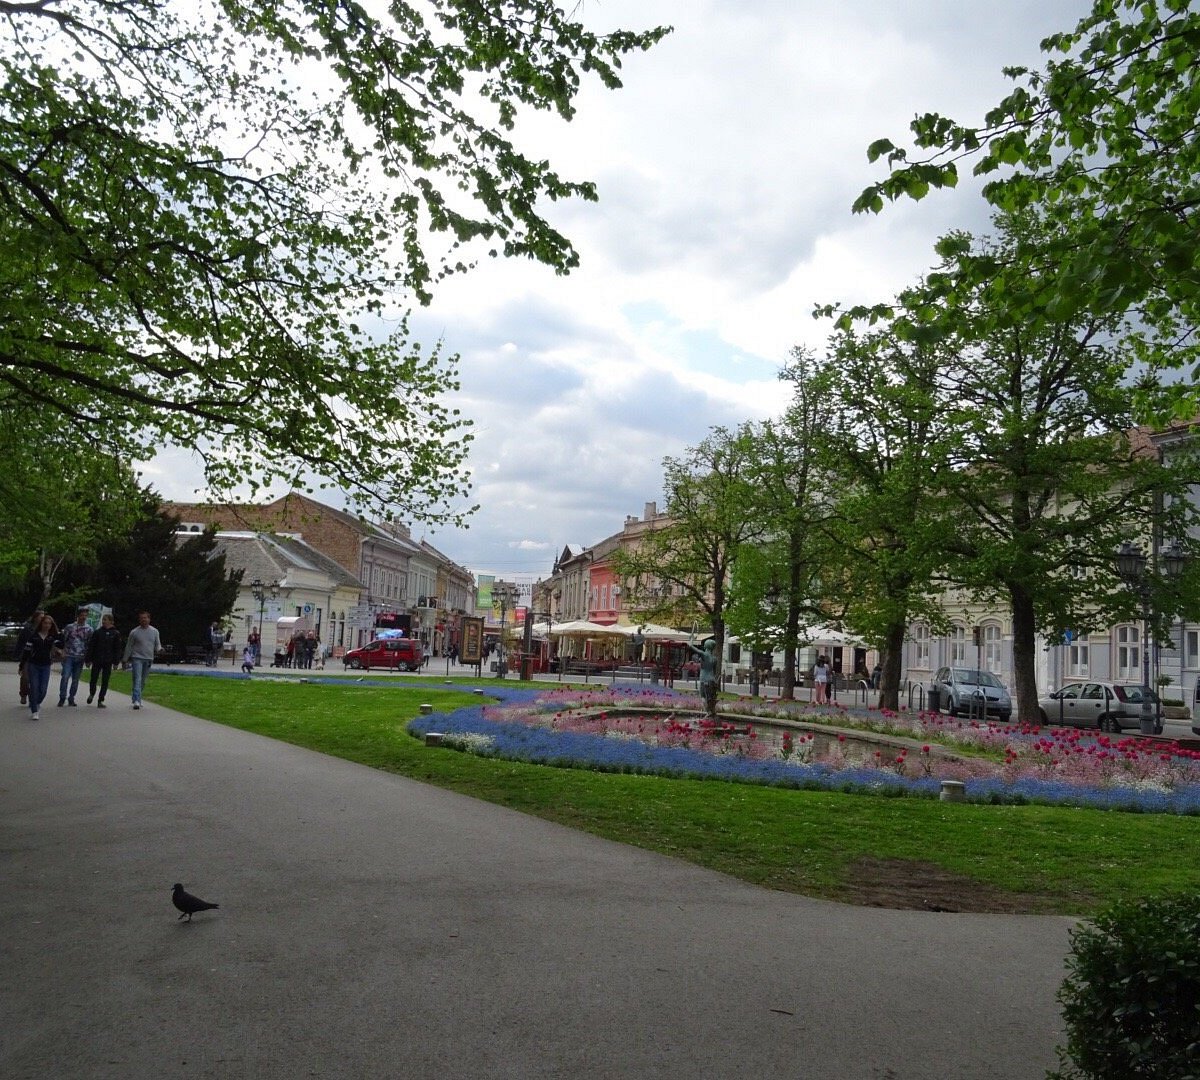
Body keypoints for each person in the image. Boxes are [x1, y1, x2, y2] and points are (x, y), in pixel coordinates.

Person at [21, 613, 61, 720]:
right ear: (41, 624)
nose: (47, 625)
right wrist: (21, 666)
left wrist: (58, 634)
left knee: (43, 690)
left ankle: (36, 702)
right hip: (33, 664)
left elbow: (60, 644)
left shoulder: (52, 637)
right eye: (45, 623)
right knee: (34, 687)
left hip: (46, 666)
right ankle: (34, 711)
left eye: (49, 624)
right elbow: (26, 651)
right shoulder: (34, 636)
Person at [122, 611, 162, 710]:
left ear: (149, 619)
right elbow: (129, 646)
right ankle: (137, 701)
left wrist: (160, 650)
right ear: (139, 620)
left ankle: (136, 696)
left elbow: (157, 645)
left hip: (148, 658)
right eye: (142, 618)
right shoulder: (134, 632)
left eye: (145, 618)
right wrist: (125, 659)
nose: (144, 620)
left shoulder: (154, 631)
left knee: (142, 680)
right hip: (137, 658)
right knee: (137, 679)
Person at [58, 607, 94, 706]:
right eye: (82, 615)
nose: (83, 617)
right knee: (65, 676)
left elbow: (89, 644)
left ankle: (71, 697)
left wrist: (88, 659)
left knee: (75, 679)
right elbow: (63, 640)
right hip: (69, 655)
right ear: (78, 616)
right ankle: (62, 697)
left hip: (81, 656)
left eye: (85, 616)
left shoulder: (89, 629)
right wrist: (62, 651)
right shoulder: (70, 627)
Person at [86, 613, 122, 707]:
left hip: (108, 660)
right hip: (97, 659)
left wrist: (116, 662)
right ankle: (92, 693)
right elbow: (91, 646)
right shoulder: (98, 632)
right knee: (93, 678)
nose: (103, 621)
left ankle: (100, 699)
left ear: (111, 621)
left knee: (105, 681)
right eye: (103, 620)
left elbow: (117, 649)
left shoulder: (115, 633)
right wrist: (88, 659)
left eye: (105, 620)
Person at [13, 608, 45, 705]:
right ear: (35, 618)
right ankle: (23, 693)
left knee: (36, 680)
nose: (42, 619)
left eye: (44, 617)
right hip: (27, 656)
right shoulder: (27, 629)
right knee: (25, 678)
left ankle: (33, 697)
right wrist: (17, 655)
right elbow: (20, 642)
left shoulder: (44, 629)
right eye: (41, 617)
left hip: (39, 657)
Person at [687, 636, 720, 717]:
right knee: (711, 698)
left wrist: (690, 643)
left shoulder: (704, 654)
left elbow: (695, 649)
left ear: (706, 646)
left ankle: (708, 712)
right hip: (712, 679)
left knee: (703, 696)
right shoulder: (714, 658)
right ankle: (712, 713)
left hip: (704, 679)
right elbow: (715, 672)